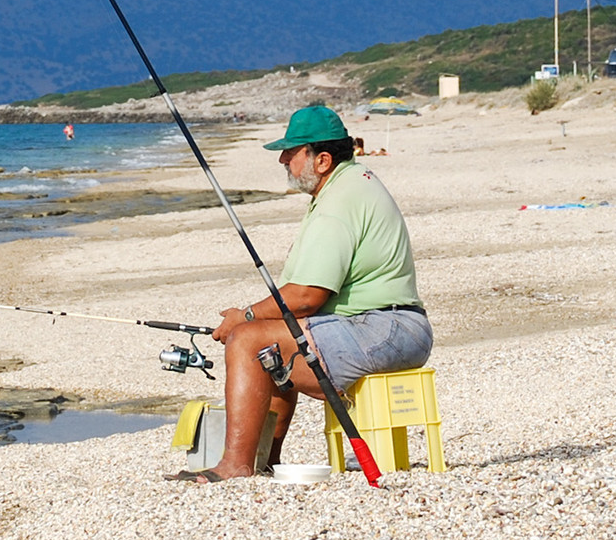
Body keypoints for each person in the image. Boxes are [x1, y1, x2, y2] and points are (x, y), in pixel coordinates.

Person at [169, 105, 432, 484]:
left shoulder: (338, 203)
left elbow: (308, 296)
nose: (282, 160)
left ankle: (236, 467)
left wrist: (244, 317)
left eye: (291, 153)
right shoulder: (352, 182)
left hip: (385, 328)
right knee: (271, 344)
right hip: (394, 326)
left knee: (247, 341)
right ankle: (265, 459)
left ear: (322, 159)